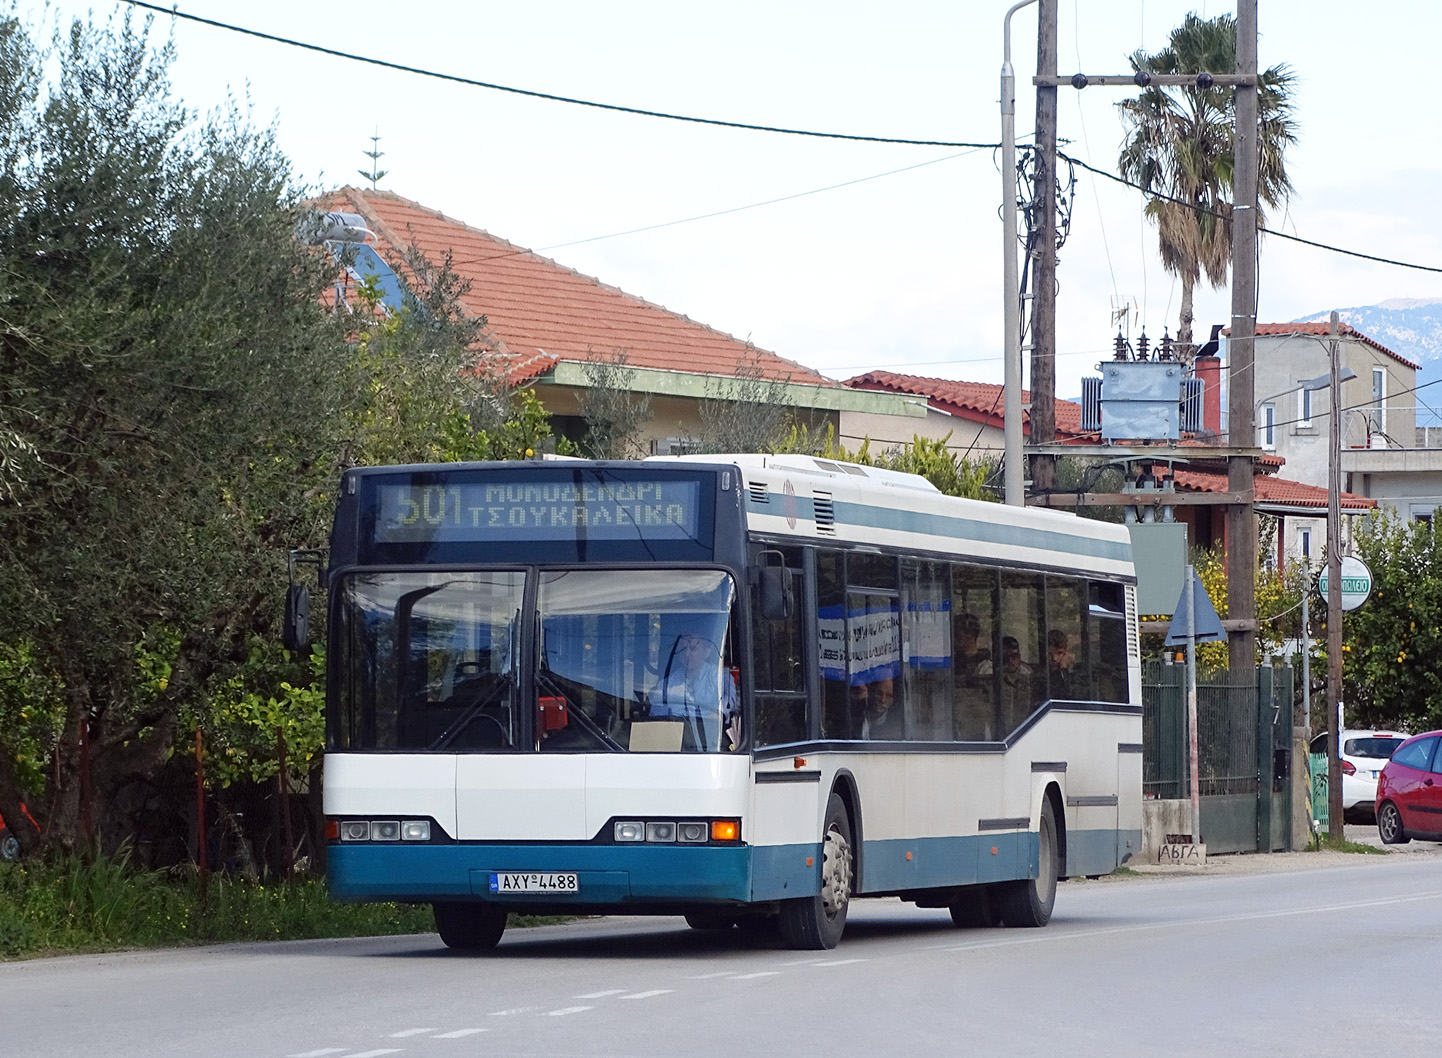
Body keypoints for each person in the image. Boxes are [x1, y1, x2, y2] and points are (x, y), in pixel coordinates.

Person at [650, 631, 739, 749]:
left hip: (710, 741)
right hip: (673, 741)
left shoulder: (721, 677)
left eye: (693, 649)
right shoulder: (667, 683)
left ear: (706, 652)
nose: (687, 654)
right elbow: (656, 713)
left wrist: (718, 713)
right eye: (683, 649)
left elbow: (729, 705)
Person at [857, 676, 903, 740]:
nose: (882, 700)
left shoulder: (898, 726)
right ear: (871, 692)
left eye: (889, 696)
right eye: (879, 693)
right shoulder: (857, 715)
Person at [1046, 629, 1076, 700]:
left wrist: (1064, 670)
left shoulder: (1076, 673)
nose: (1054, 658)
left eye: (1059, 653)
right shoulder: (1041, 673)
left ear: (1067, 652)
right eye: (1050, 654)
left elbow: (1069, 695)